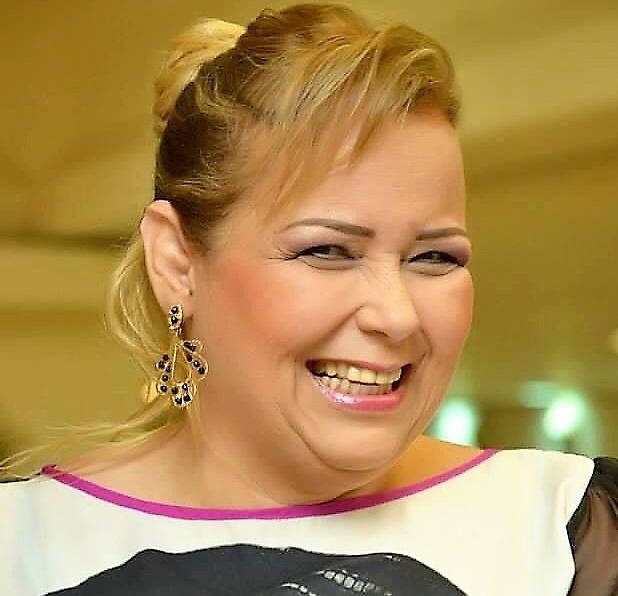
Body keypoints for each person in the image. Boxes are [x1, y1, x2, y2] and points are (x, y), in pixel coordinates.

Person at [1, 3, 616, 595]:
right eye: (327, 250)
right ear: (176, 262)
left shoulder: (563, 528)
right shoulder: (24, 548)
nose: (397, 316)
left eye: (435, 257)